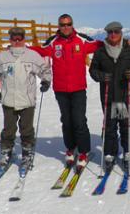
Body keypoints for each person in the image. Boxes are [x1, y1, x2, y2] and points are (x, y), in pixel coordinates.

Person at [30, 14, 103, 168]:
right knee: (66, 121)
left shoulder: (81, 40)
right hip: (61, 89)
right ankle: (71, 148)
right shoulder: (53, 42)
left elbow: (100, 44)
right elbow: (39, 51)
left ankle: (84, 151)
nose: (65, 27)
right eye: (62, 24)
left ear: (72, 24)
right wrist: (20, 48)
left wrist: (122, 43)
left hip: (78, 89)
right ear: (59, 26)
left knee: (79, 121)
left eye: (68, 24)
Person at [0, 27, 51, 169]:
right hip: (8, 100)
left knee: (26, 130)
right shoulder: (2, 57)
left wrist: (46, 81)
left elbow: (45, 70)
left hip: (27, 101)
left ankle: (27, 154)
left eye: (19, 38)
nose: (16, 41)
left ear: (24, 39)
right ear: (9, 39)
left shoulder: (32, 56)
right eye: (13, 38)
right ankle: (6, 152)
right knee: (8, 130)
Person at [89, 21, 130, 171]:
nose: (113, 34)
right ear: (107, 34)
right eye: (110, 32)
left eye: (116, 31)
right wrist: (101, 76)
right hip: (108, 94)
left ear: (121, 32)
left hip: (124, 93)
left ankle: (128, 150)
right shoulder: (101, 52)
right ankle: (110, 153)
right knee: (109, 125)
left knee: (126, 123)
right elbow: (93, 70)